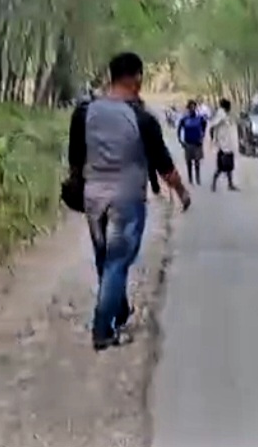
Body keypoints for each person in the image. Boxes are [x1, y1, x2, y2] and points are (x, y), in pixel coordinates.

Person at [68, 51, 190, 351]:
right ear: (137, 77)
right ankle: (103, 330)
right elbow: (163, 164)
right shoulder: (142, 117)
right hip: (126, 200)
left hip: (94, 197)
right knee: (118, 262)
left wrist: (80, 181)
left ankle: (118, 311)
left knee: (106, 259)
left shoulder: (85, 112)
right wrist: (183, 193)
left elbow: (75, 156)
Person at [211, 98, 239, 191]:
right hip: (223, 146)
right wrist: (214, 140)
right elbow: (213, 126)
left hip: (227, 145)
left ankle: (230, 184)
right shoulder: (221, 115)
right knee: (221, 167)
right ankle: (214, 184)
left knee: (228, 166)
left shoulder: (225, 115)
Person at [177, 100, 207, 186]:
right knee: (189, 162)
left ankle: (198, 178)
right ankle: (190, 178)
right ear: (188, 108)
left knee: (197, 162)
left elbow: (204, 126)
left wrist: (202, 136)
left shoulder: (200, 118)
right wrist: (180, 141)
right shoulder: (184, 119)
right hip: (188, 143)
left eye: (194, 107)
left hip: (197, 143)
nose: (192, 109)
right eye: (190, 107)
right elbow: (179, 129)